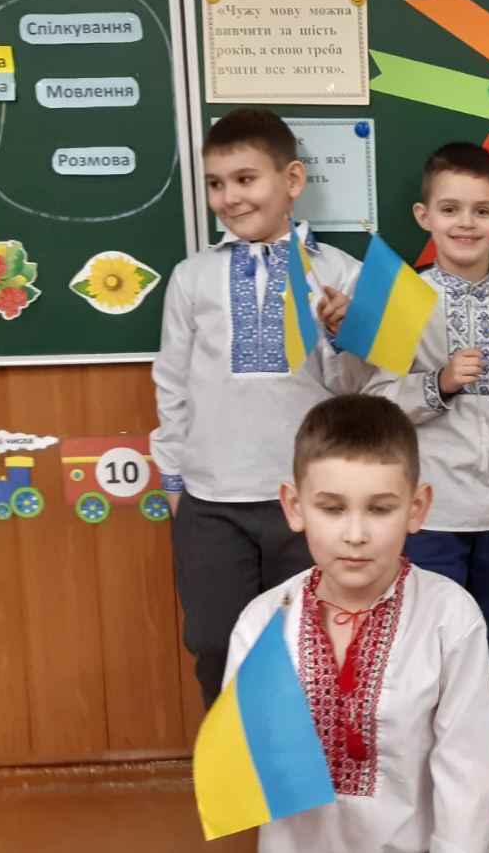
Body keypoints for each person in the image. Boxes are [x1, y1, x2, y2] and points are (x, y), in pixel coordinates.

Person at [223, 394, 489, 853]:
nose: (354, 533)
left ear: (417, 508)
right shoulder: (263, 625)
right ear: (294, 506)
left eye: (380, 508)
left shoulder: (449, 617)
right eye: (331, 508)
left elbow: (467, 787)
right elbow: (243, 774)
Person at [152, 107, 362, 707]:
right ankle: (235, 761)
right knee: (216, 641)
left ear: (291, 180)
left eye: (246, 179)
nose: (230, 197)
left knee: (311, 644)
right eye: (216, 184)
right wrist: (174, 479)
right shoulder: (192, 277)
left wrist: (342, 335)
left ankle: (313, 762)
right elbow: (171, 382)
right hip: (213, 500)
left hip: (309, 497)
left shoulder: (341, 274)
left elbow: (354, 392)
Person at [365, 142, 489, 712]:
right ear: (424, 216)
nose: (466, 223)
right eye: (450, 209)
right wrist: (440, 384)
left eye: (481, 211)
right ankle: (425, 755)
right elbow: (376, 401)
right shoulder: (404, 300)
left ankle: (480, 749)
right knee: (426, 643)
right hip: (431, 513)